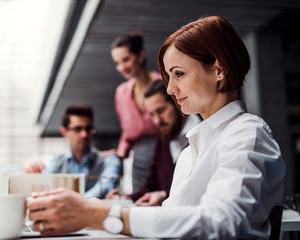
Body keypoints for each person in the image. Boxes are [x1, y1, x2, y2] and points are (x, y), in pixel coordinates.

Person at [26, 16, 286, 239]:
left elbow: (220, 222)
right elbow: (171, 218)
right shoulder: (192, 149)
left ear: (218, 70)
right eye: (168, 77)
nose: (171, 89)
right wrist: (92, 208)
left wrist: (100, 214)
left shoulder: (247, 133)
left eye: (179, 73)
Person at [106, 80, 201, 206]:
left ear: (177, 103)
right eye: (152, 114)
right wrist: (126, 197)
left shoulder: (204, 134)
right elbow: (151, 185)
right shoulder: (163, 138)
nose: (157, 121)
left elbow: (200, 188)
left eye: (161, 111)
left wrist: (164, 195)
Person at [23, 104, 121, 199]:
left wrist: (71, 202)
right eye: (77, 129)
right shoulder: (54, 163)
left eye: (88, 128)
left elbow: (105, 187)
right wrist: (29, 171)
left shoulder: (109, 160)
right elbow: (40, 189)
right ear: (64, 132)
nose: (84, 134)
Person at [110, 32, 161, 192]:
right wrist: (119, 152)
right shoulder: (121, 93)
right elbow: (126, 133)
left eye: (126, 59)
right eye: (117, 63)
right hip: (137, 160)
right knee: (140, 201)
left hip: (166, 154)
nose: (122, 67)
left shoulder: (163, 85)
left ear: (140, 55)